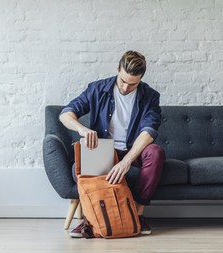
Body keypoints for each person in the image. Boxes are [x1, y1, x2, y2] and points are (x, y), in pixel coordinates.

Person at [59, 50, 165, 237]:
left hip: (134, 151)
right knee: (81, 164)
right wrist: (82, 129)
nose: (125, 88)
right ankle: (90, 220)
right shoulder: (97, 89)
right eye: (123, 81)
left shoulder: (150, 96)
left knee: (156, 152)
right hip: (104, 149)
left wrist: (126, 162)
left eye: (132, 84)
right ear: (118, 69)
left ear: (141, 78)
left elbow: (149, 131)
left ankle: (137, 215)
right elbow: (66, 114)